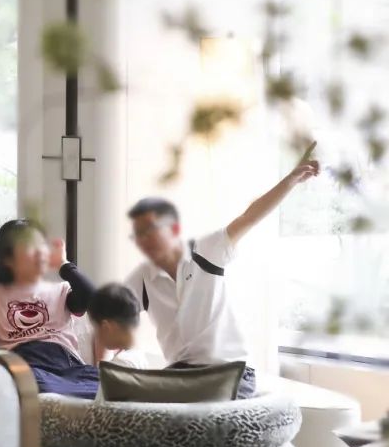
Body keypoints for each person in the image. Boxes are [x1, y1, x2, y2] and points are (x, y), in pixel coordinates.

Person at [123, 157, 321, 398]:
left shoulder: (205, 251)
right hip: (182, 375)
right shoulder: (142, 278)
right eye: (139, 234)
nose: (145, 240)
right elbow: (110, 317)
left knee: (189, 404)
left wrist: (290, 180)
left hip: (229, 371)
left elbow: (249, 217)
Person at [0, 219, 100, 399]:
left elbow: (92, 298)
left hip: (69, 365)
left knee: (108, 384)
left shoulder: (59, 290)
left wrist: (64, 264)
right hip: (28, 365)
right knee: (24, 383)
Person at [86, 282, 143, 367]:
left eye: (96, 328)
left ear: (106, 327)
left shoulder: (117, 367)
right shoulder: (140, 358)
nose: (97, 335)